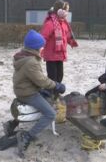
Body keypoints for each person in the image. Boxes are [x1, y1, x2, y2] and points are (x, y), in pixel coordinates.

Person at [6, 29, 66, 157]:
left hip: (22, 88)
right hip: (28, 92)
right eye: (42, 46)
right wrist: (57, 85)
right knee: (50, 113)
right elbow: (42, 80)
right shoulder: (31, 62)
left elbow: (37, 79)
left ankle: (11, 124)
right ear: (36, 47)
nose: (43, 48)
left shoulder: (24, 56)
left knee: (44, 98)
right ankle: (27, 136)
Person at [41, 0, 78, 84]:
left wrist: (71, 41)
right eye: (65, 10)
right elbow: (43, 36)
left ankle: (56, 93)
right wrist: (38, 47)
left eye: (67, 11)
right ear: (59, 10)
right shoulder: (50, 23)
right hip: (51, 55)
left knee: (60, 76)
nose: (66, 13)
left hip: (60, 54)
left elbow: (66, 34)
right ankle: (51, 93)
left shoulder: (63, 22)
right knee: (52, 77)